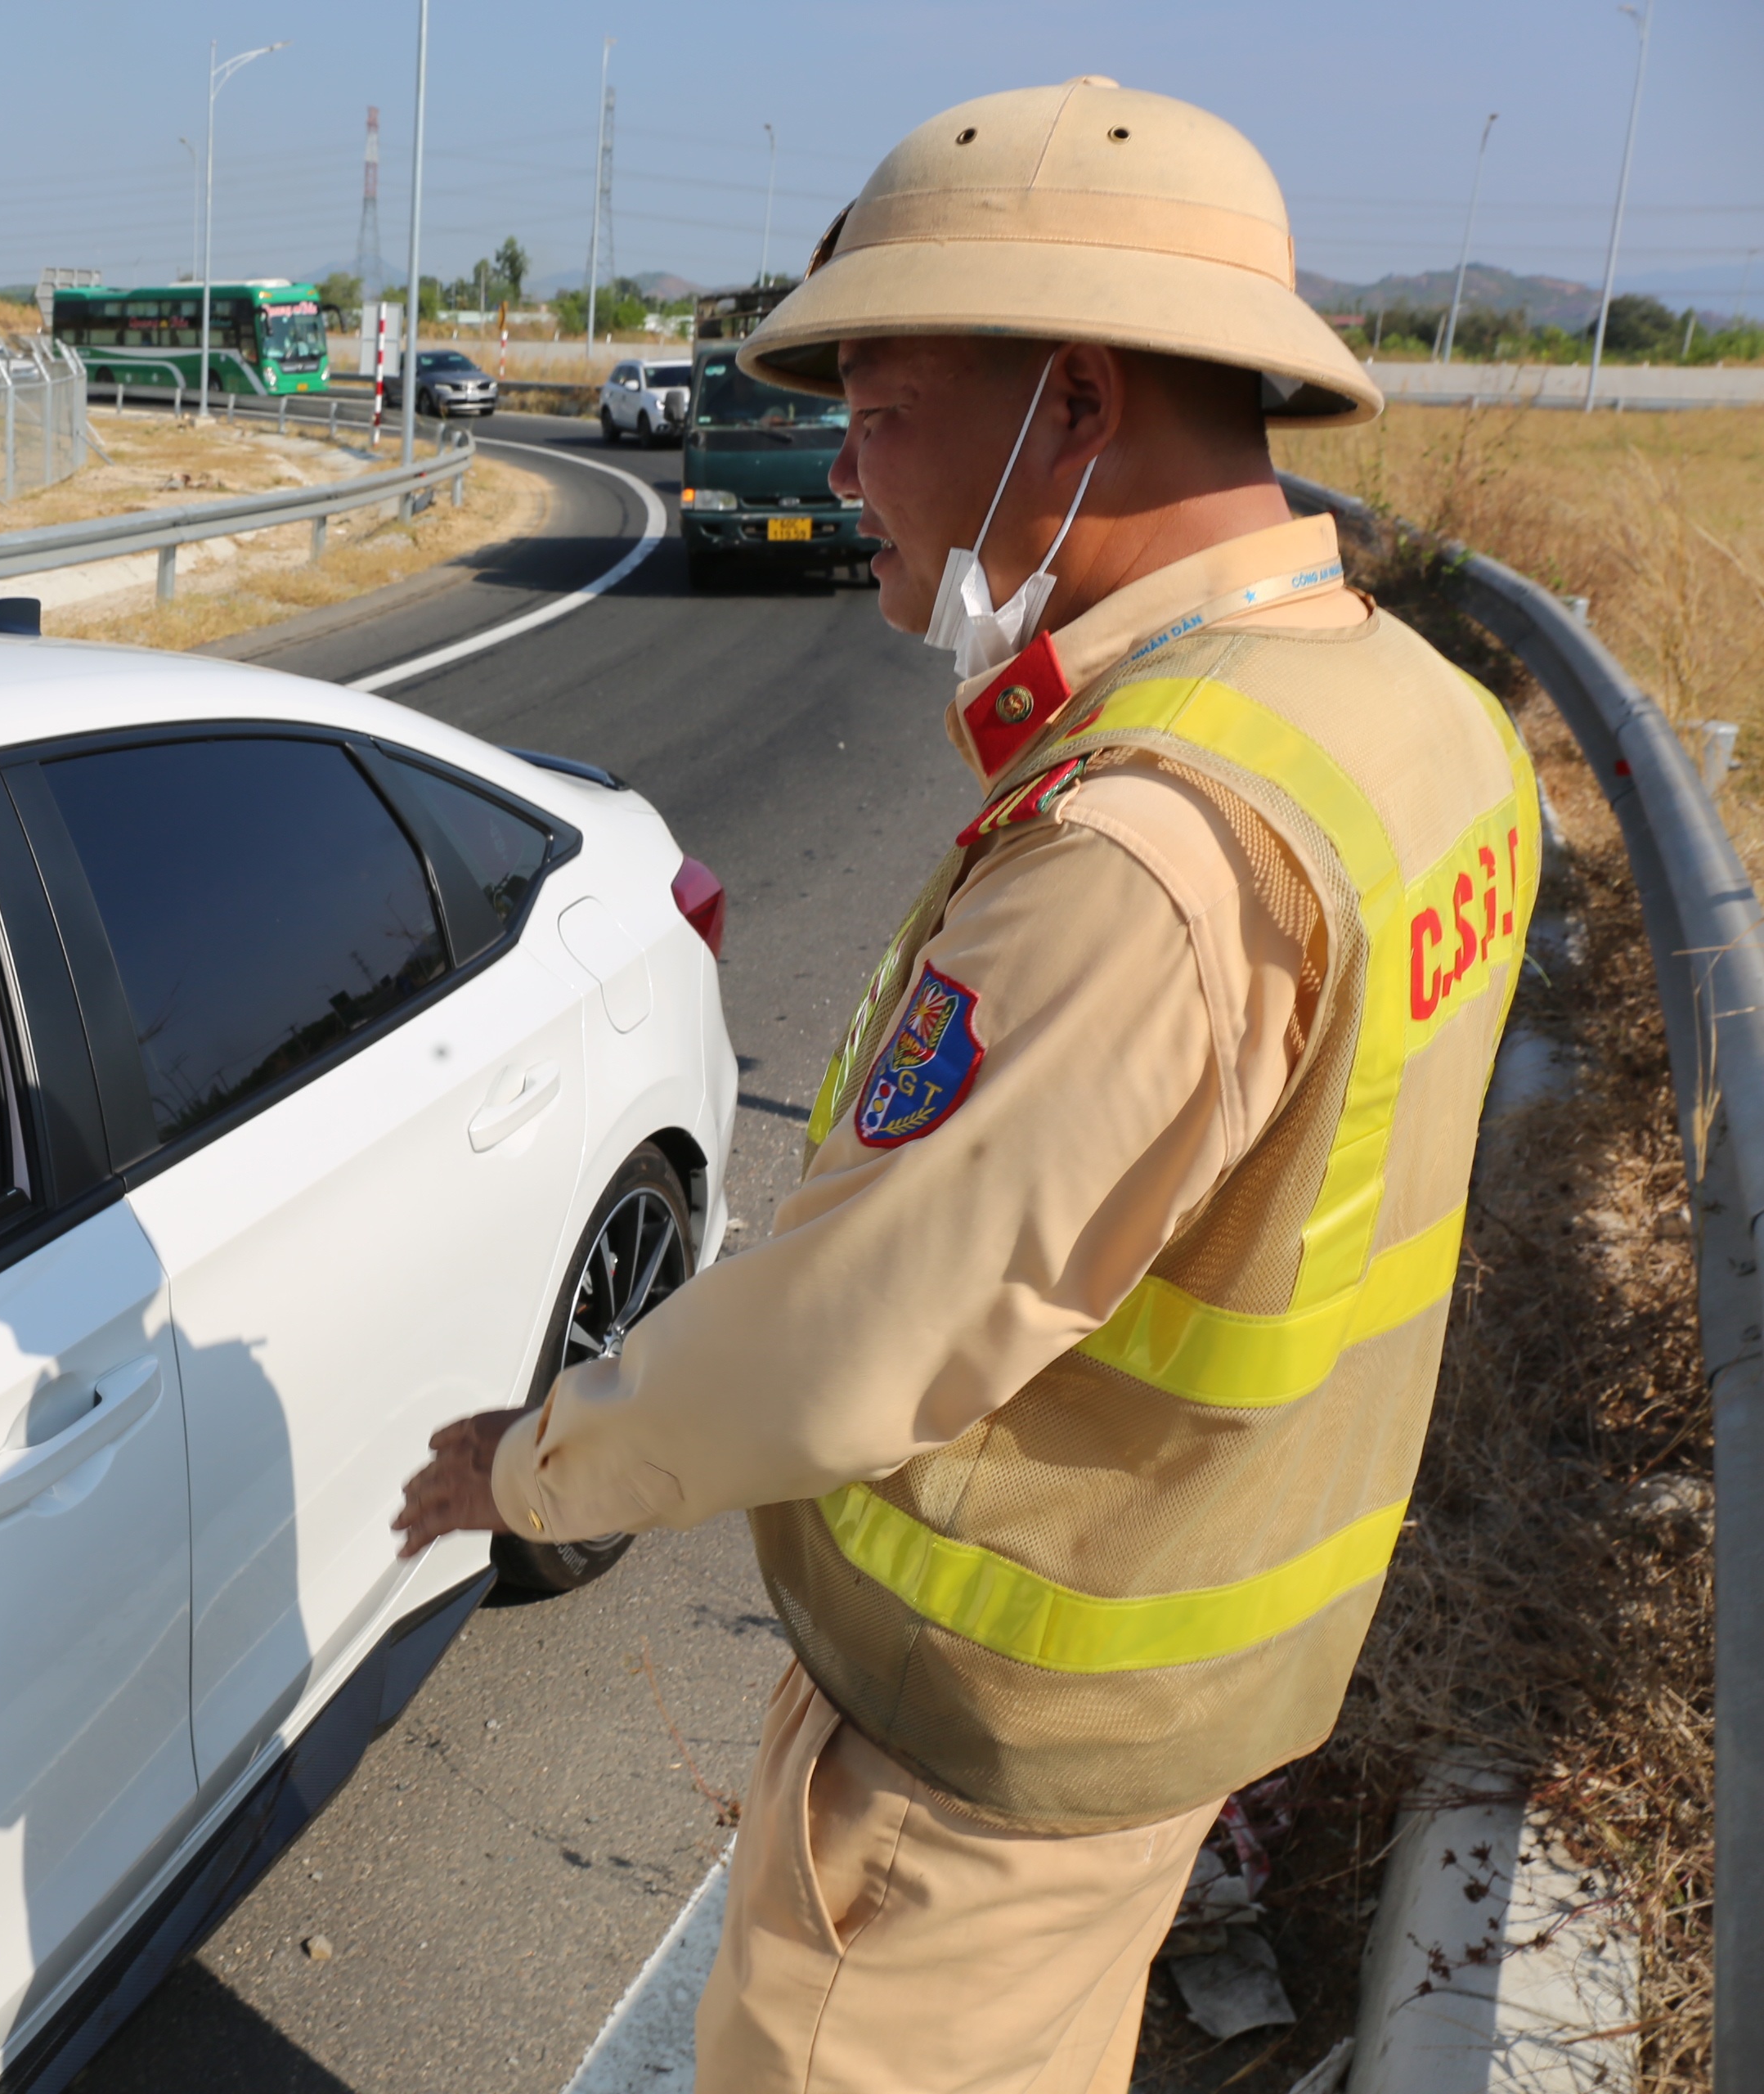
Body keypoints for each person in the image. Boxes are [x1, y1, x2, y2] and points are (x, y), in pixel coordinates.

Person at [393, 78, 1541, 2092]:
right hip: (1187, 1680)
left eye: (881, 404)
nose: (843, 467)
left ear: (1073, 405)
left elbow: (838, 1342)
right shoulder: (1418, 720)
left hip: (984, 1767)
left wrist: (530, 1462)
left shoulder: (1144, 848)